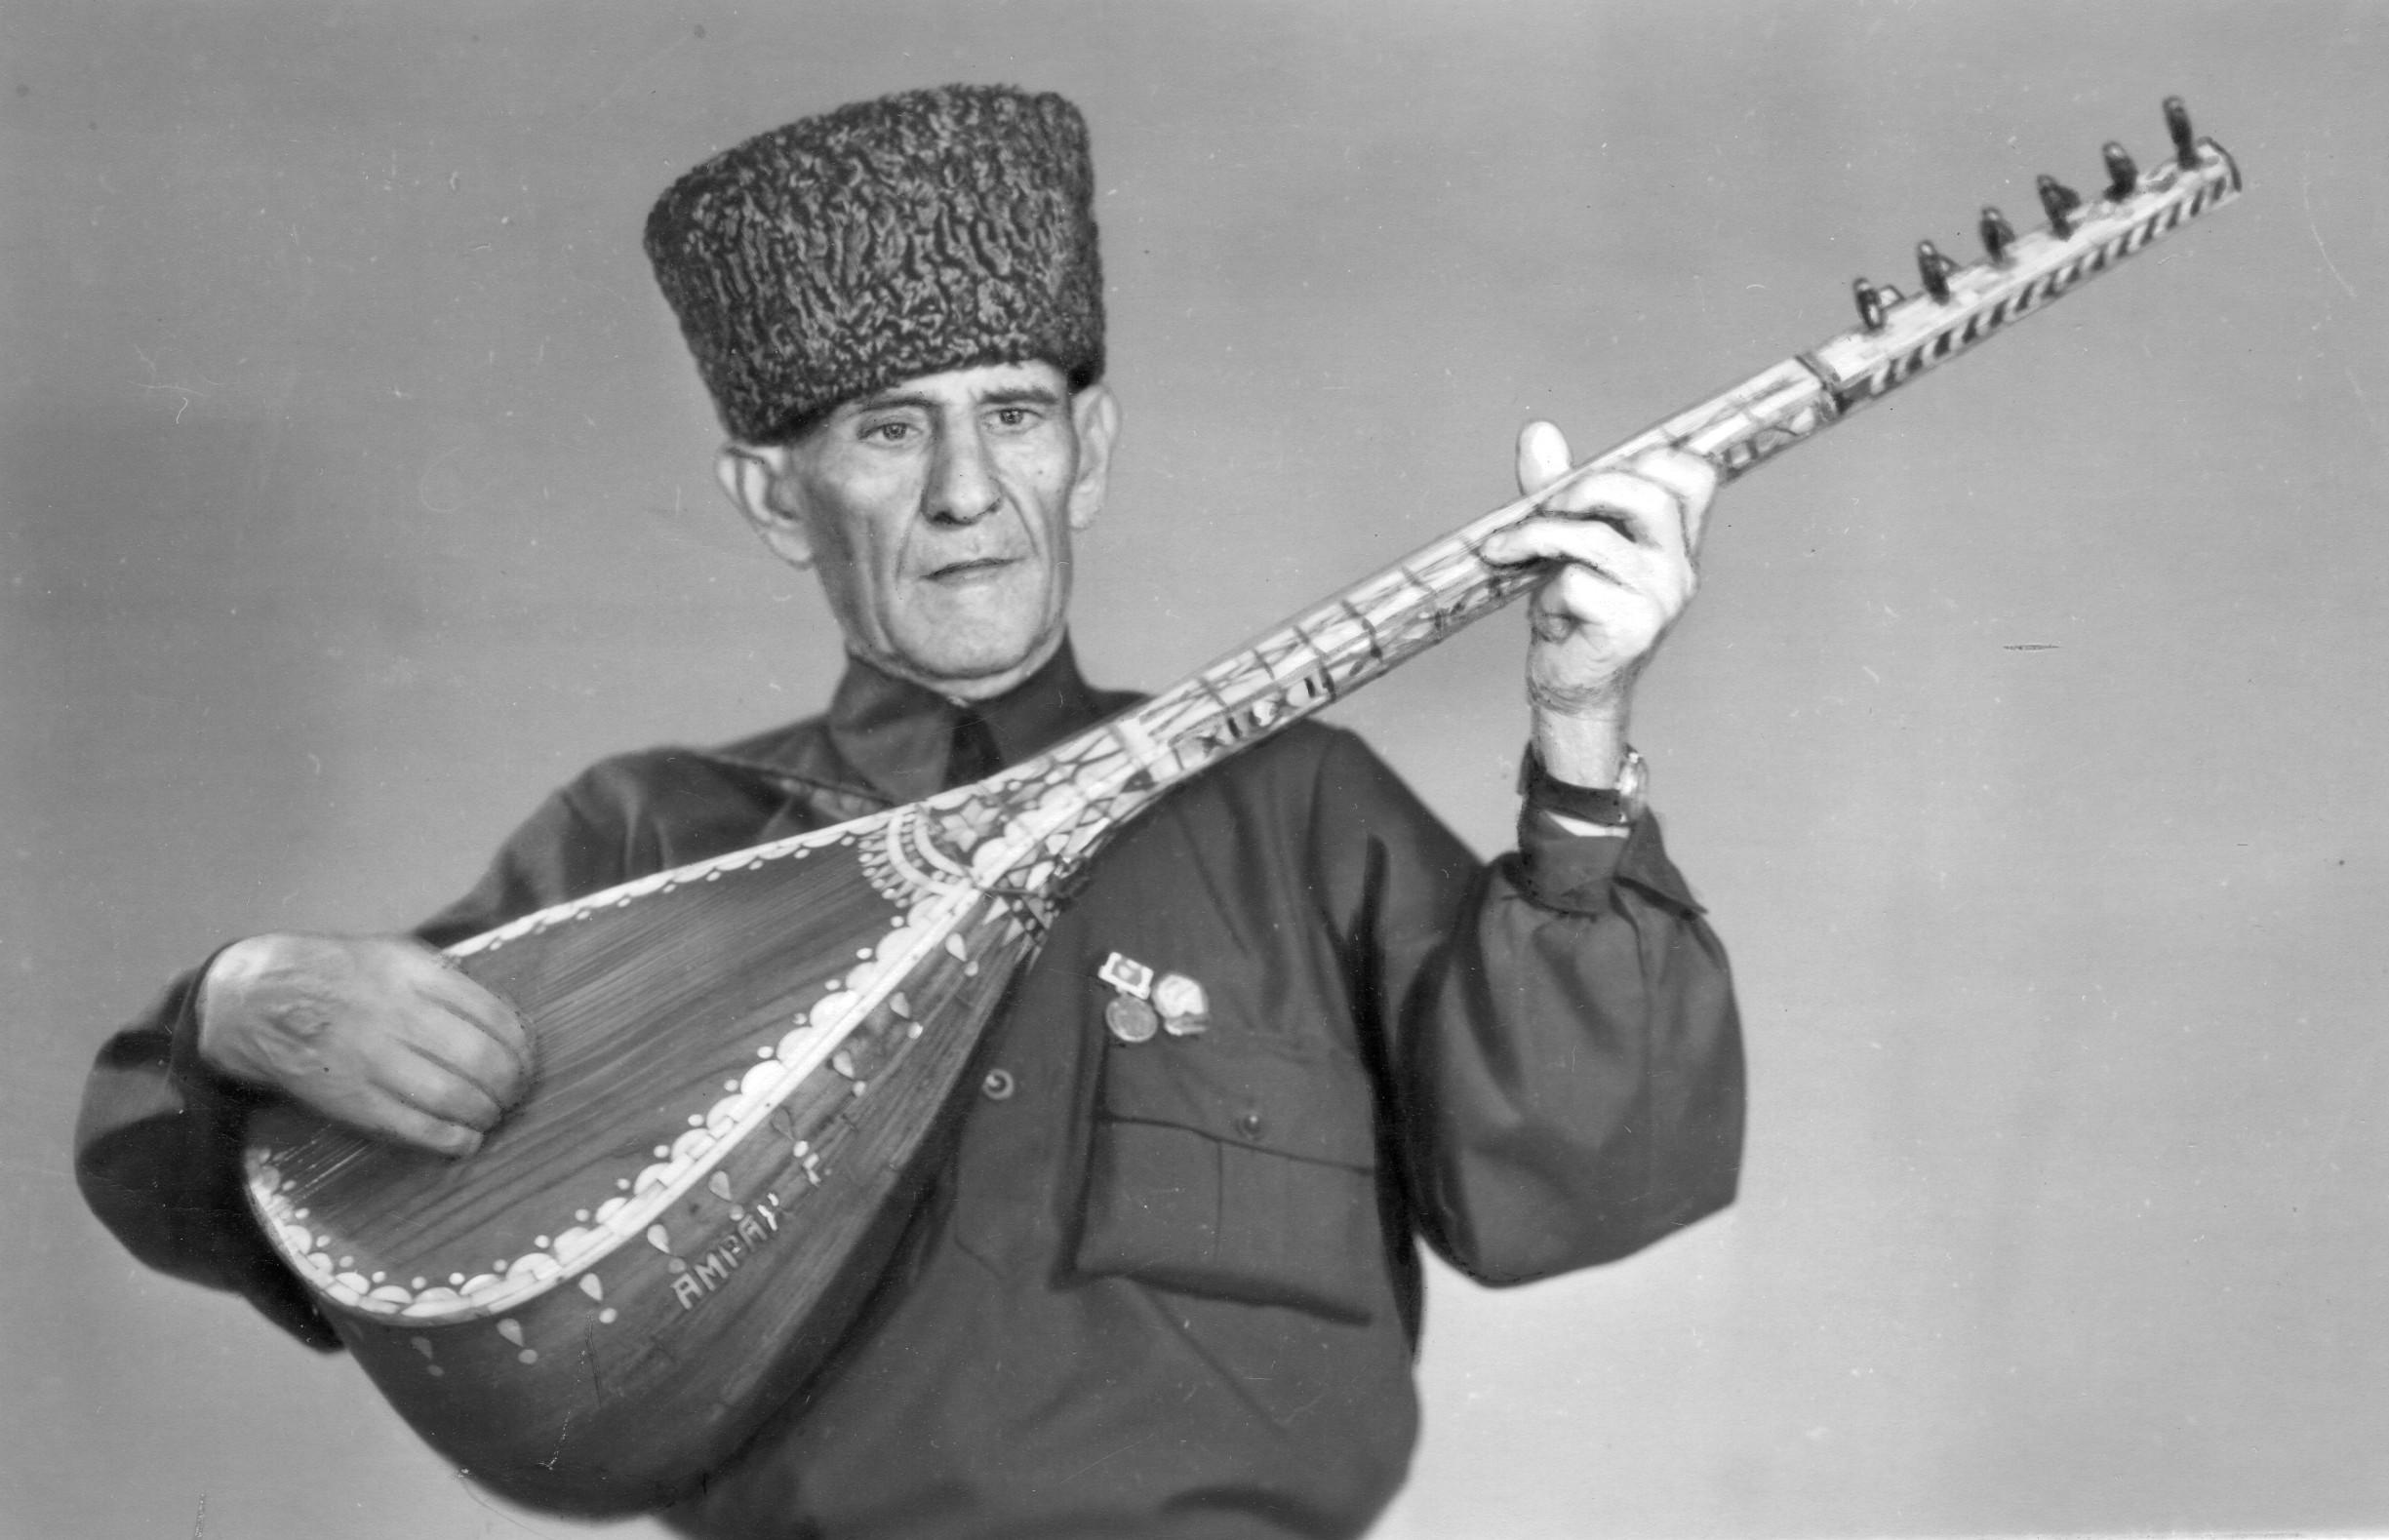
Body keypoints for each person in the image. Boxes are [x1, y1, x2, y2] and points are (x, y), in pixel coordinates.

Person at [74, 85, 1744, 1538]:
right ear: (771, 496)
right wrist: (243, 1012)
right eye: (889, 431)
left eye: (1013, 415)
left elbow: (1596, 1185)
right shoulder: (646, 838)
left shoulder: (1293, 809)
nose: (965, 494)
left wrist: (1578, 726)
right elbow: (246, 1193)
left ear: (1087, 451)